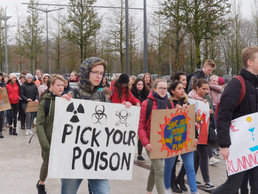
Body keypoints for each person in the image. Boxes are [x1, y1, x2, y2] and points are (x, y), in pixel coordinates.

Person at [211, 47, 258, 194]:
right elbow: (223, 115)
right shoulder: (237, 83)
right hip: (238, 145)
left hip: (254, 144)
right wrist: (224, 145)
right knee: (232, 186)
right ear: (250, 62)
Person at [61, 57, 110, 194]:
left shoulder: (102, 97)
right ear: (85, 72)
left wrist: (125, 110)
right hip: (74, 158)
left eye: (101, 73)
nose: (98, 76)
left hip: (97, 158)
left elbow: (112, 123)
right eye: (95, 72)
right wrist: (63, 105)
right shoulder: (73, 94)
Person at [138, 79, 174, 194]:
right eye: (160, 88)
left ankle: (148, 191)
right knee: (160, 170)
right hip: (150, 143)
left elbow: (172, 122)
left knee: (155, 169)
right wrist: (146, 143)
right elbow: (141, 126)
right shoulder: (146, 103)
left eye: (165, 88)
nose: (163, 90)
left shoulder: (169, 103)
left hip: (163, 142)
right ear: (154, 89)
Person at [164, 81, 199, 194]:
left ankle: (194, 191)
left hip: (186, 139)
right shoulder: (167, 103)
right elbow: (164, 121)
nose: (182, 90)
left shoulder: (187, 103)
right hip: (172, 141)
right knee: (168, 168)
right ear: (173, 91)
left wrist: (195, 137)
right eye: (179, 88)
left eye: (183, 88)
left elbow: (192, 122)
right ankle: (167, 188)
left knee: (190, 167)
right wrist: (175, 112)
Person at [36, 74, 65, 194]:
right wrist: (45, 144)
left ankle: (66, 187)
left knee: (64, 165)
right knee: (47, 164)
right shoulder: (45, 101)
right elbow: (39, 124)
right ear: (51, 87)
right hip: (48, 140)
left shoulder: (66, 101)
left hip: (62, 141)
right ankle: (41, 184)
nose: (61, 88)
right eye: (58, 85)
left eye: (63, 85)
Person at [188, 78, 215, 192]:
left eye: (208, 89)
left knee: (198, 156)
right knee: (203, 155)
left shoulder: (206, 98)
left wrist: (210, 113)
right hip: (193, 132)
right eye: (204, 89)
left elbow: (211, 118)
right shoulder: (189, 98)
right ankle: (207, 181)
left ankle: (192, 179)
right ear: (197, 88)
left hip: (203, 131)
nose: (206, 91)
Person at [131, 78, 150, 163]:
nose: (140, 86)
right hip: (133, 117)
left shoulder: (146, 94)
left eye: (142, 84)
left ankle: (139, 154)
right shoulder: (131, 93)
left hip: (142, 117)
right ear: (135, 85)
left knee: (140, 136)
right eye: (138, 84)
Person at [0, 72, 5, 138]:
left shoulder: (3, 84)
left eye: (0, 76)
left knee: (1, 117)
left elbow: (5, 91)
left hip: (2, 103)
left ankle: (0, 131)